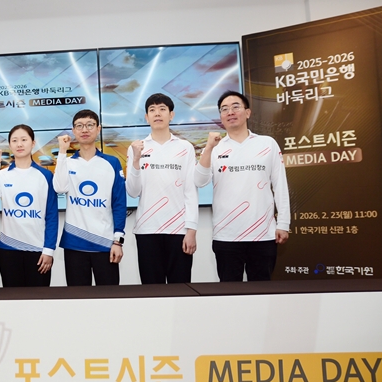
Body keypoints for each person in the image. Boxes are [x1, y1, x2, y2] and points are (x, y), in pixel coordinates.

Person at [194, 90, 290, 281]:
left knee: (262, 291)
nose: (230, 112)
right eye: (224, 109)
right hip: (226, 235)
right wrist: (209, 148)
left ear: (247, 112)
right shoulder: (214, 148)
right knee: (229, 293)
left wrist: (283, 223)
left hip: (263, 234)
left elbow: (280, 184)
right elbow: (199, 181)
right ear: (220, 117)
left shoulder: (267, 144)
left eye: (235, 107)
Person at [126, 93, 198, 284]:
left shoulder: (185, 147)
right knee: (152, 291)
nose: (157, 113)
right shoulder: (136, 148)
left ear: (171, 115)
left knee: (181, 289)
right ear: (146, 117)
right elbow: (132, 191)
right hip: (147, 230)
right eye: (152, 110)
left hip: (179, 230)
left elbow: (190, 191)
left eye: (162, 109)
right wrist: (136, 160)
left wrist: (191, 230)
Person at [53, 109, 127, 286]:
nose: (84, 129)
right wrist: (62, 152)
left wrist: (118, 241)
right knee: (77, 299)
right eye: (79, 126)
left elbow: (119, 203)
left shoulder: (112, 162)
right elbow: (59, 188)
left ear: (98, 129)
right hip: (74, 243)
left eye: (90, 125)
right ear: (73, 131)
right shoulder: (67, 162)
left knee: (109, 298)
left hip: (105, 244)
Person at [0, 124, 59, 287]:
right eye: (15, 140)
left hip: (38, 251)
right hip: (8, 249)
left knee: (39, 298)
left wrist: (49, 250)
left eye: (24, 140)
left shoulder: (45, 175)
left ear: (33, 143)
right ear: (10, 145)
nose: (19, 144)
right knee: (11, 298)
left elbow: (52, 216)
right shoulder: (2, 174)